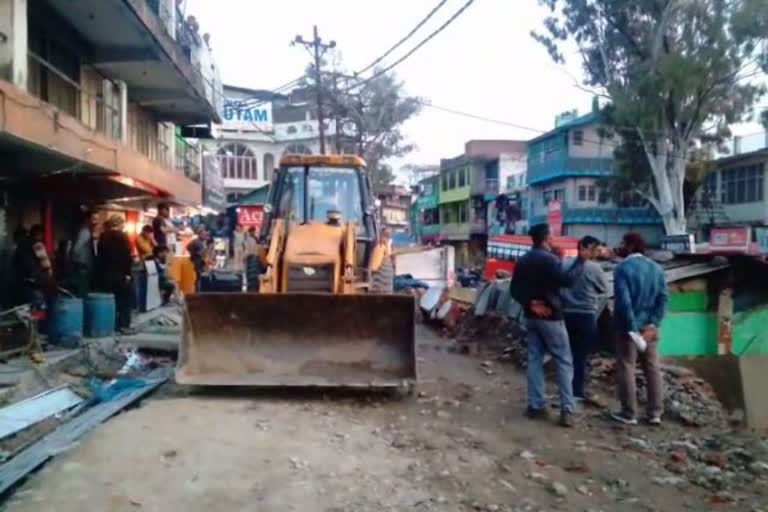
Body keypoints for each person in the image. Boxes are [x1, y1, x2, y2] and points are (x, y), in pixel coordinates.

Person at [509, 223, 584, 427]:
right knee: (563, 360)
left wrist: (530, 303)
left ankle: (536, 405)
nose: (554, 238)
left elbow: (514, 289)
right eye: (552, 235)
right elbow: (567, 281)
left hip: (531, 317)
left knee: (534, 359)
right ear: (545, 238)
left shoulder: (523, 260)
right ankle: (567, 410)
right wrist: (581, 261)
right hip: (551, 317)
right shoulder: (550, 260)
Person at [610, 233, 669, 426]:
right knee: (652, 368)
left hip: (628, 329)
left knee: (627, 367)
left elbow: (624, 303)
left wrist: (633, 329)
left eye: (622, 243)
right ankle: (655, 413)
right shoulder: (657, 269)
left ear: (629, 246)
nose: (620, 247)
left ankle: (629, 413)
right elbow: (663, 299)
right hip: (650, 329)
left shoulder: (622, 269)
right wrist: (653, 324)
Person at [561, 236, 609, 405]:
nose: (597, 253)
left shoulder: (564, 263)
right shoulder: (595, 268)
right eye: (594, 249)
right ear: (585, 248)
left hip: (566, 315)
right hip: (586, 316)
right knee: (581, 356)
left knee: (566, 355)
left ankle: (565, 390)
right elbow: (604, 289)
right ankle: (577, 391)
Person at [96, 215, 135, 334]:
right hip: (121, 274)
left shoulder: (103, 236)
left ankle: (109, 325)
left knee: (110, 301)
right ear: (120, 224)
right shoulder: (123, 237)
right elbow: (127, 257)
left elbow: (99, 256)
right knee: (124, 301)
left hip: (105, 274)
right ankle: (123, 325)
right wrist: (128, 273)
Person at [17, 225, 54, 307]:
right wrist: (49, 277)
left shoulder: (21, 245)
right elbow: (45, 263)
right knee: (37, 306)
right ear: (39, 234)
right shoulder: (37, 244)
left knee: (24, 306)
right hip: (36, 280)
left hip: (22, 279)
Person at [69, 211, 100, 297]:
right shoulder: (85, 232)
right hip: (83, 266)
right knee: (83, 291)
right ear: (87, 220)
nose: (96, 222)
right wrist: (77, 263)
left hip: (83, 266)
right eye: (94, 219)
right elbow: (76, 249)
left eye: (97, 219)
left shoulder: (86, 231)